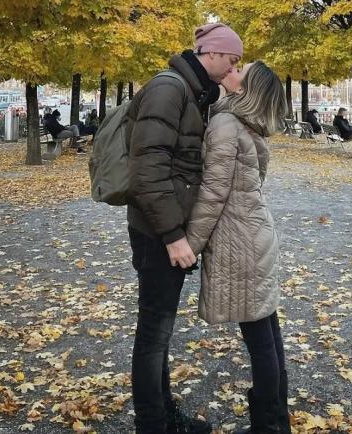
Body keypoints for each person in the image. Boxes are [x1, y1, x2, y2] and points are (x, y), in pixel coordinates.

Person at [126, 22, 243, 434]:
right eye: (232, 57)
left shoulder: (189, 91)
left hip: (165, 227)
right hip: (159, 232)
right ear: (211, 53)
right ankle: (153, 424)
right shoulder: (170, 88)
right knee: (154, 331)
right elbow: (148, 170)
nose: (235, 64)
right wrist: (174, 236)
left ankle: (161, 415)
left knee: (160, 329)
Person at [187, 61, 290, 434]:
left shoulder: (226, 125)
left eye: (239, 72)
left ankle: (268, 428)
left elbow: (213, 193)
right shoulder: (248, 126)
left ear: (245, 90)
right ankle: (277, 421)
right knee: (268, 333)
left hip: (241, 241)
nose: (230, 71)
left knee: (260, 339)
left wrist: (190, 246)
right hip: (255, 234)